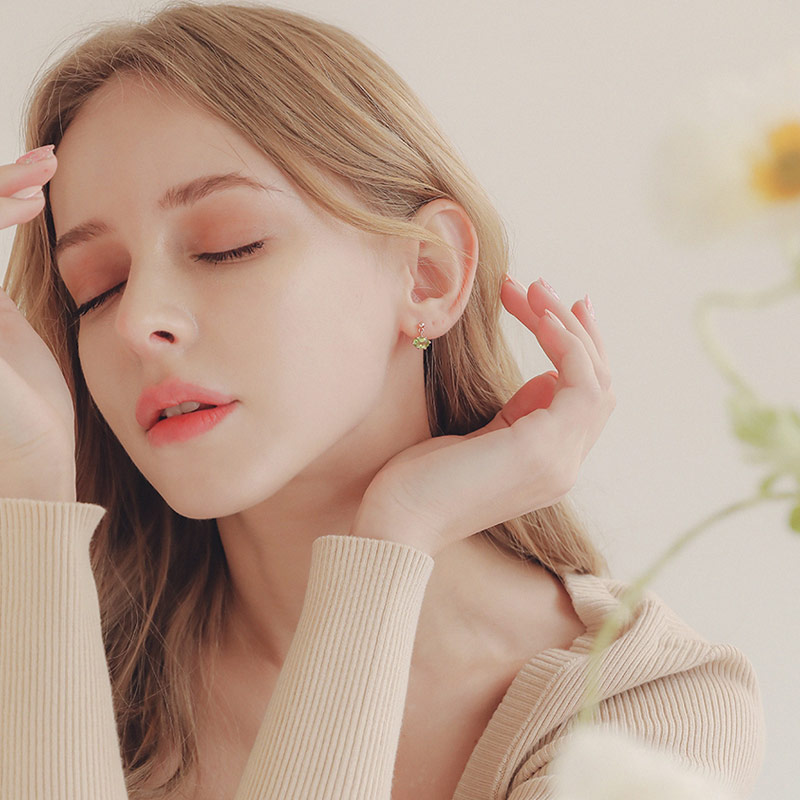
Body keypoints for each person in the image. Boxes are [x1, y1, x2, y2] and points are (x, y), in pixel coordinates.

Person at [0, 2, 765, 799]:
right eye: (98, 287)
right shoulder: (45, 648)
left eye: (228, 245)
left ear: (427, 273)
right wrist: (33, 491)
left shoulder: (646, 718)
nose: (137, 321)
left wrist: (395, 537)